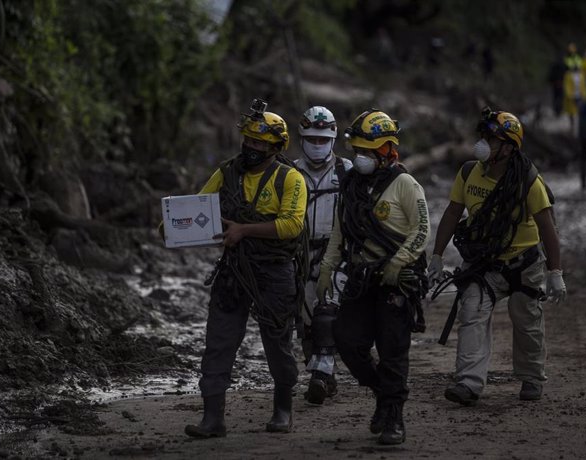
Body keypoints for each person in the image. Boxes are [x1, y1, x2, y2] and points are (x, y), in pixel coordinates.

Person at [183, 99, 308, 437]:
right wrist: (174, 228)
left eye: (259, 143)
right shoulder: (226, 171)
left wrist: (243, 230)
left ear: (275, 147)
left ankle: (283, 410)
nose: (251, 148)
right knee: (219, 340)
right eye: (249, 141)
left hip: (274, 271)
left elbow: (292, 226)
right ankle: (213, 418)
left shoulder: (291, 179)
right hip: (234, 270)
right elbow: (200, 205)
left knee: (278, 342)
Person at [428, 108, 567, 407]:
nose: (484, 144)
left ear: (508, 147)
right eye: (484, 137)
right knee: (472, 313)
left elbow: (548, 228)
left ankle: (531, 376)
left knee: (526, 320)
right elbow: (453, 213)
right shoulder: (468, 172)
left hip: (523, 263)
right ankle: (468, 382)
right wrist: (436, 256)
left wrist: (555, 273)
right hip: (484, 264)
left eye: (492, 139)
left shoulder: (529, 180)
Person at [316, 110, 430, 445]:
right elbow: (341, 229)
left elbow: (421, 230)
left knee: (393, 348)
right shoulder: (351, 185)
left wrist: (399, 262)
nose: (361, 157)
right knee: (347, 339)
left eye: (368, 150)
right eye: (358, 150)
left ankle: (394, 417)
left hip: (396, 279)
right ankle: (384, 392)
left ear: (387, 149)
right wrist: (327, 267)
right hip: (361, 277)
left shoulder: (405, 184)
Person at [293, 106, 352, 405]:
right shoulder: (289, 173)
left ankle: (321, 373)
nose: (317, 145)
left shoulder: (348, 172)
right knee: (304, 321)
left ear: (333, 140)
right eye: (311, 139)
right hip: (300, 254)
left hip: (337, 253)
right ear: (301, 138)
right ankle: (324, 376)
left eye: (322, 140)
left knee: (327, 312)